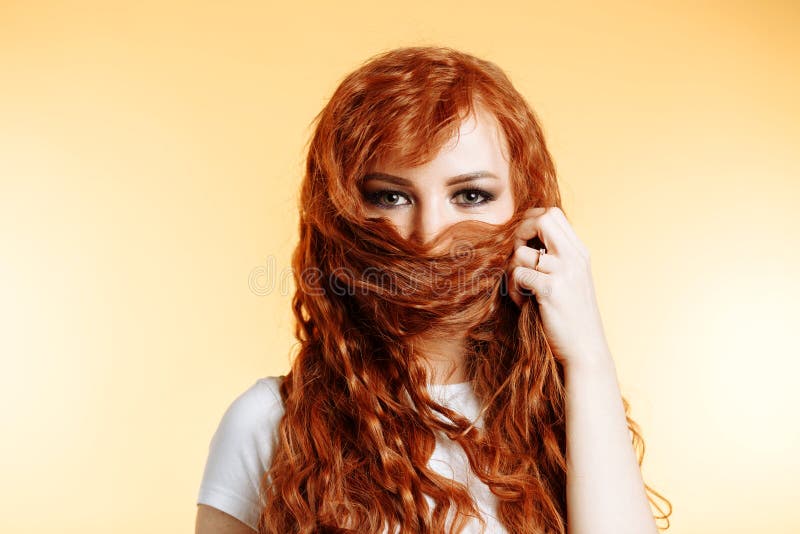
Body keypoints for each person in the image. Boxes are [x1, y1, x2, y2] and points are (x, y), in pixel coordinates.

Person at [196, 46, 672, 534]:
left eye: (470, 195)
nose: (428, 235)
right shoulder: (268, 424)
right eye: (391, 196)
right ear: (340, 214)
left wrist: (588, 356)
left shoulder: (567, 417)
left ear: (528, 214)